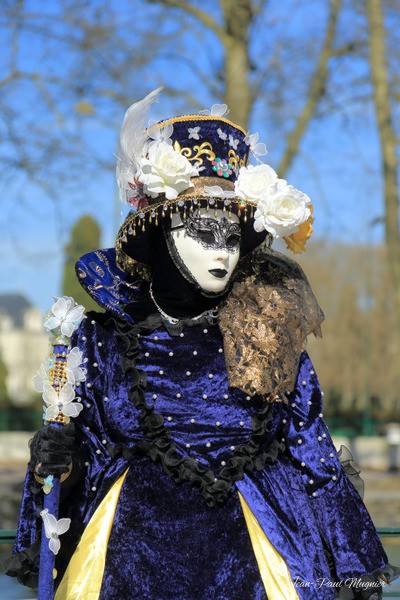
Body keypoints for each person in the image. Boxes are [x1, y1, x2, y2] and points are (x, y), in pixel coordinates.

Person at [5, 90, 398, 599]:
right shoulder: (100, 342)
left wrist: (359, 571)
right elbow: (84, 460)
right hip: (126, 568)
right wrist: (64, 461)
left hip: (259, 563)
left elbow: (313, 458)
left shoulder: (266, 339)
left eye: (232, 235)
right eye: (205, 230)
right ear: (158, 232)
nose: (223, 251)